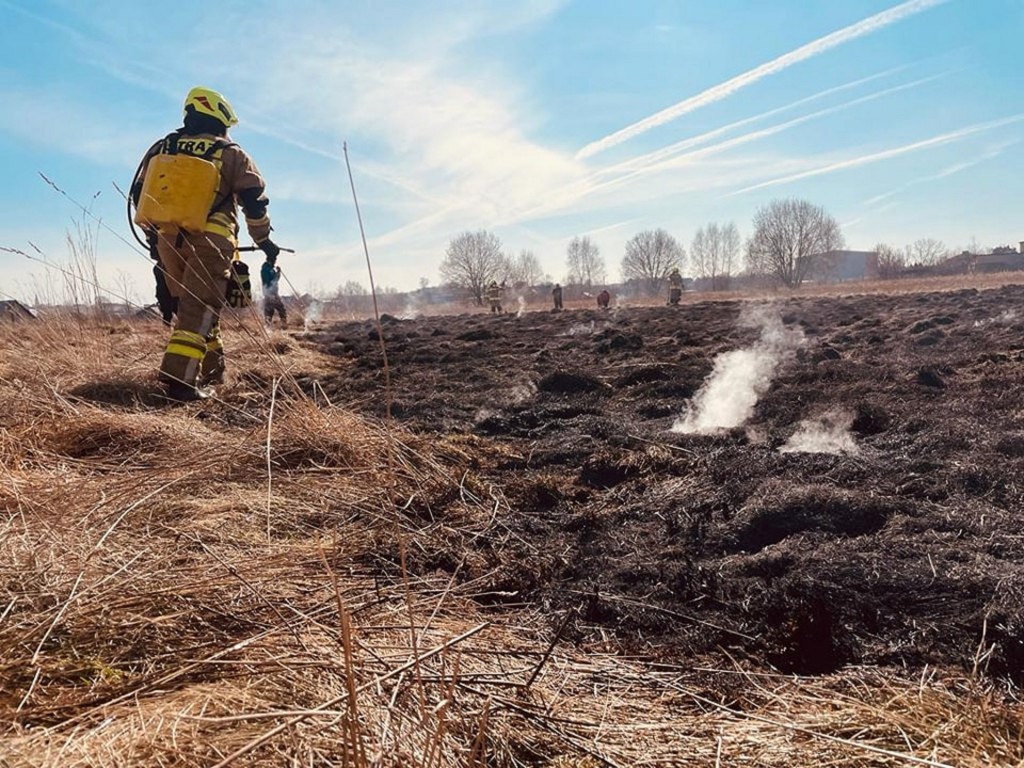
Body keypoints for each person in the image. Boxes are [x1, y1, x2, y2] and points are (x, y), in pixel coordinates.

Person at [131, 86, 281, 401]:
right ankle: (179, 383)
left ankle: (214, 372)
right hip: (211, 241)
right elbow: (254, 203)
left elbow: (139, 195)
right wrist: (265, 242)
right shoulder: (231, 154)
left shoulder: (161, 149)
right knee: (198, 309)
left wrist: (155, 241)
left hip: (166, 240)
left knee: (197, 308)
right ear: (220, 117)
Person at [261, 254, 287, 327]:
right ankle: (269, 326)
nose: (275, 262)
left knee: (279, 308)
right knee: (272, 309)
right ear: (270, 261)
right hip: (269, 292)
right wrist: (269, 294)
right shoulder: (265, 270)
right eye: (274, 261)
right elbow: (267, 282)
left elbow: (275, 279)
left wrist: (278, 272)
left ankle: (282, 324)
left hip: (274, 292)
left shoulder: (271, 269)